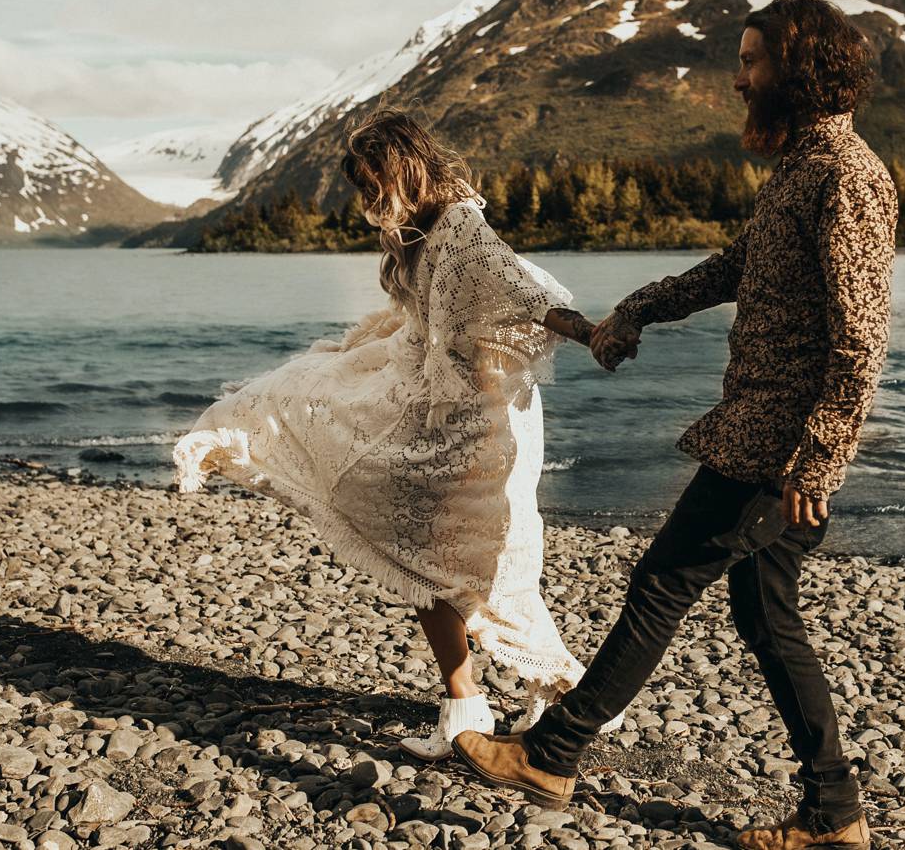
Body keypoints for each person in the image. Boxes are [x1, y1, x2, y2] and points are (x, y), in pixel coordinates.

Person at [452, 0, 898, 850]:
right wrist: (640, 308)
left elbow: (861, 337)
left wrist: (817, 461)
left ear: (797, 70)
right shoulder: (806, 166)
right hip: (762, 425)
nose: (738, 79)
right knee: (766, 615)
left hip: (777, 441)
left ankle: (553, 752)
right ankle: (835, 815)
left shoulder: (848, 175)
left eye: (753, 61)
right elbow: (739, 266)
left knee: (662, 582)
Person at [173, 107, 619, 761]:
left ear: (403, 168)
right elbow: (425, 310)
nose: (366, 198)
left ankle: (539, 690)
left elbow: (530, 297)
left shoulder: (462, 230)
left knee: (453, 554)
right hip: (427, 394)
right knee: (425, 550)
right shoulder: (416, 226)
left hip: (468, 415)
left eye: (371, 181)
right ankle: (478, 701)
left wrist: (595, 334)